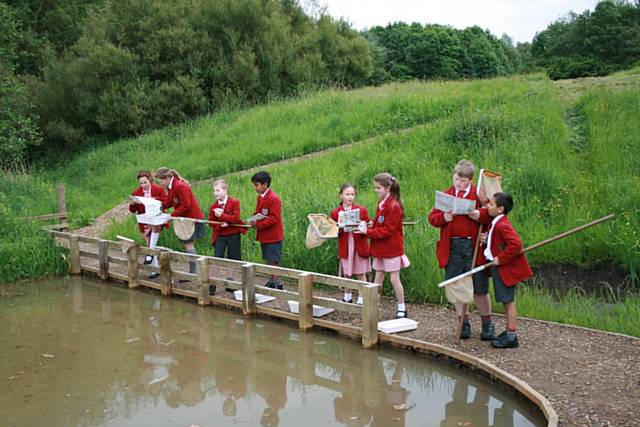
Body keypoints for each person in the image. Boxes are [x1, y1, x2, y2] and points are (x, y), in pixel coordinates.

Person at [428, 160, 494, 340]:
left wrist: (479, 215)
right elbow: (432, 218)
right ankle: (463, 322)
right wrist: (444, 217)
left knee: (479, 287)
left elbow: (493, 215)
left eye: (463, 180)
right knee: (456, 285)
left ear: (471, 180)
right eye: (456, 178)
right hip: (452, 247)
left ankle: (487, 324)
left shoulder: (479, 195)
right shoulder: (447, 195)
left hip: (474, 246)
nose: (458, 183)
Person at [484, 192, 533, 349]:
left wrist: (501, 258)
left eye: (491, 204)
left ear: (500, 209)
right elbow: (499, 241)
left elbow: (516, 244)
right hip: (500, 268)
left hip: (505, 269)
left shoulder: (502, 224)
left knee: (508, 302)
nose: (487, 206)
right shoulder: (497, 222)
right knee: (506, 302)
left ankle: (511, 336)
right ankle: (509, 332)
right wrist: (488, 241)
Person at [357, 172, 409, 319]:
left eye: (378, 188)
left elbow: (388, 230)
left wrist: (367, 232)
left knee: (394, 278)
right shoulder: (382, 204)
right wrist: (369, 225)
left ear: (387, 188)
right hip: (379, 248)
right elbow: (380, 223)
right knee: (378, 277)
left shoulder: (394, 206)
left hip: (392, 249)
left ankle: (402, 307)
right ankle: (374, 305)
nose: (375, 190)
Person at [154, 167, 205, 278]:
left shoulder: (180, 186)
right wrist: (158, 205)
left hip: (191, 219)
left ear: (168, 178)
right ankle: (193, 271)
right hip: (184, 218)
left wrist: (171, 215)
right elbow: (170, 202)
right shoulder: (172, 186)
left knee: (189, 244)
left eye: (161, 181)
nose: (160, 184)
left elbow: (186, 205)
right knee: (188, 245)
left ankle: (193, 273)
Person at [330, 183, 371, 304]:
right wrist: (340, 226)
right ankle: (347, 295)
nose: (350, 197)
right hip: (346, 244)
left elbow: (368, 225)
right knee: (347, 272)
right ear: (341, 195)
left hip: (359, 243)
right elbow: (332, 230)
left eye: (352, 194)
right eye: (347, 194)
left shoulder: (361, 210)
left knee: (361, 272)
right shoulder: (336, 212)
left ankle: (362, 297)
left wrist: (362, 225)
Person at [208, 179, 247, 293]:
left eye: (218, 190)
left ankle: (230, 282)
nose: (215, 193)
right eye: (214, 191)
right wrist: (220, 224)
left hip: (233, 234)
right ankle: (213, 283)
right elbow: (211, 222)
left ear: (225, 190)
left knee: (233, 258)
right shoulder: (213, 206)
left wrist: (223, 216)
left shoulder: (234, 202)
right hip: (220, 235)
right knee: (217, 257)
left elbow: (235, 217)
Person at [248, 171, 284, 289]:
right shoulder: (260, 198)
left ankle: (277, 283)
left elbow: (274, 218)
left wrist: (258, 224)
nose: (255, 188)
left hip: (273, 235)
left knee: (274, 260)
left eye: (257, 185)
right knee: (268, 258)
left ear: (265, 184)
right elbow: (258, 212)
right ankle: (271, 280)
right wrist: (253, 219)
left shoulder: (274, 199)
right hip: (265, 235)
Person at [128, 170, 168, 270]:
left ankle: (151, 259)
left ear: (150, 180)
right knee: (148, 242)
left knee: (151, 241)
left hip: (157, 218)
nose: (143, 185)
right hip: (144, 219)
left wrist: (153, 199)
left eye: (145, 182)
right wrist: (132, 204)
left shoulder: (158, 189)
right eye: (141, 183)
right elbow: (133, 210)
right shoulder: (136, 192)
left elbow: (166, 201)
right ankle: (155, 268)